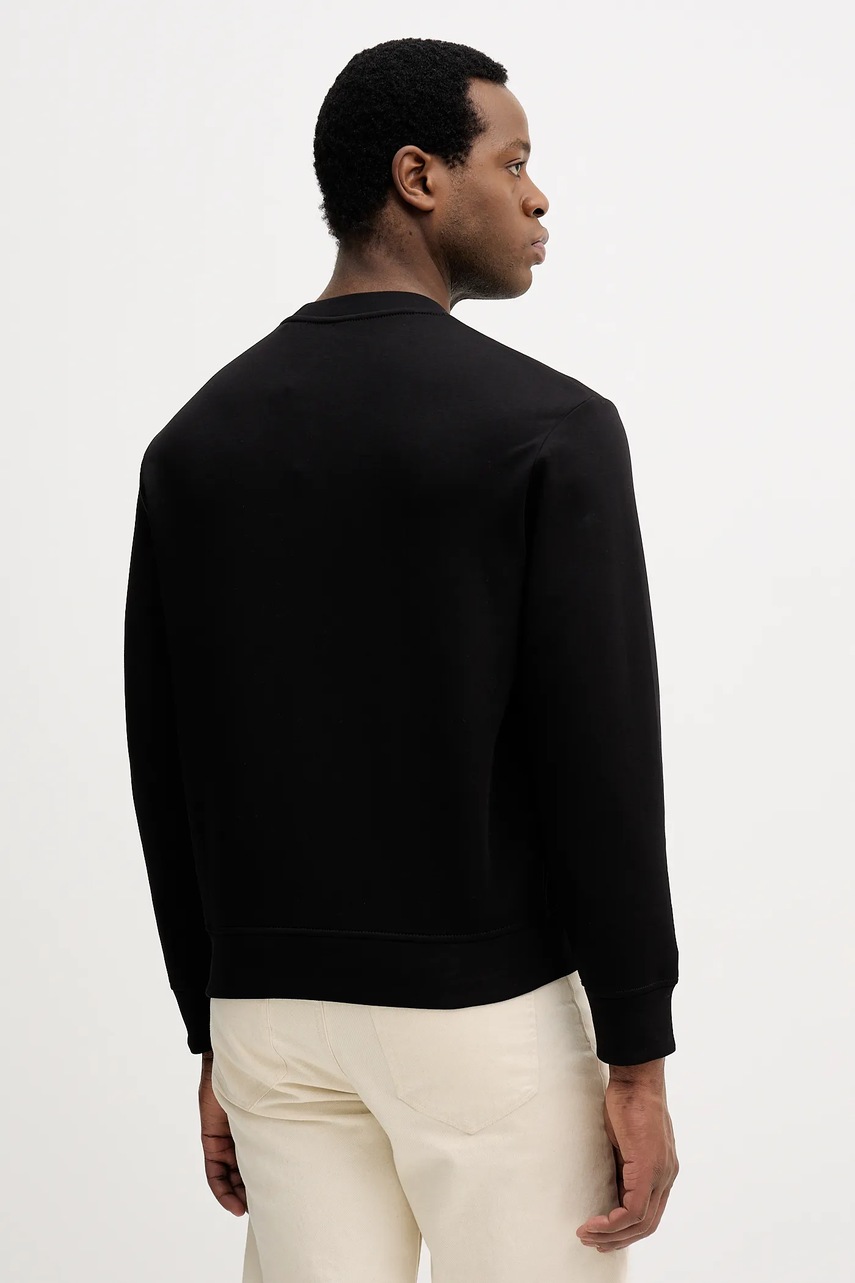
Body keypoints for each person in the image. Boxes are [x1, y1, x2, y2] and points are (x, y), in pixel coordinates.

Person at [123, 36, 680, 1282]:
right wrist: (638, 1053)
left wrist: (213, 1021)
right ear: (419, 177)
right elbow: (600, 756)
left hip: (271, 1019)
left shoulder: (194, 444)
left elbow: (165, 756)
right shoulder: (551, 429)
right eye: (514, 162)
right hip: (482, 1020)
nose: (538, 196)